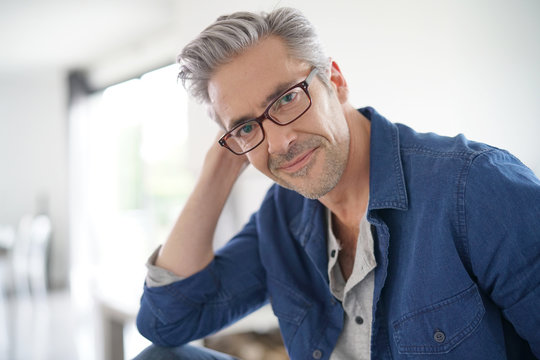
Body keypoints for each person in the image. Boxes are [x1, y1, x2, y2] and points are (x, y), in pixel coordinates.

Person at [134, 7, 540, 360]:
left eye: (287, 99)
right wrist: (215, 174)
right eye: (245, 126)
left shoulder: (475, 186)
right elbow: (167, 323)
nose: (280, 143)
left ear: (336, 80)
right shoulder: (282, 213)